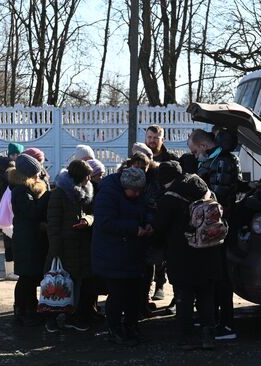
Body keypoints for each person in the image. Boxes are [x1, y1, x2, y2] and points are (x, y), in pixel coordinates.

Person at [152, 161, 223, 350]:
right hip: (209, 252)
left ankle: (187, 337)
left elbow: (159, 228)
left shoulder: (169, 199)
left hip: (182, 256)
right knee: (206, 296)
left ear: (165, 179)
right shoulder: (203, 188)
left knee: (184, 298)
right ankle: (209, 336)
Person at [188, 128, 241, 340]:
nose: (195, 156)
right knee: (214, 274)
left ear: (203, 146)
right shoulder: (217, 160)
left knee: (221, 277)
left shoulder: (221, 161)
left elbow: (216, 195)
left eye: (194, 151)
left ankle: (226, 325)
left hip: (219, 226)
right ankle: (213, 318)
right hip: (216, 225)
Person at [92, 167, 150, 346]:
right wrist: (134, 229)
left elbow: (147, 208)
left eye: (140, 190)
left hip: (132, 252)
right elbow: (106, 223)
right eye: (134, 191)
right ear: (125, 187)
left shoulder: (138, 192)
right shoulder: (107, 194)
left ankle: (131, 326)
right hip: (112, 253)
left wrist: (149, 222)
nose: (138, 194)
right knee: (118, 294)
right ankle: (114, 329)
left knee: (135, 293)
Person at [45, 160, 95, 333]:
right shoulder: (59, 194)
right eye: (88, 175)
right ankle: (51, 318)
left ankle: (72, 317)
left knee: (75, 285)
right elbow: (53, 223)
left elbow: (91, 214)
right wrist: (56, 249)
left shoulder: (87, 193)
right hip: (64, 247)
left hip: (81, 247)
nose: (90, 179)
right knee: (57, 284)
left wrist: (87, 221)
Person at [10, 153, 51, 326]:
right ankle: (21, 310)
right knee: (26, 277)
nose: (38, 176)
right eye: (35, 173)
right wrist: (47, 197)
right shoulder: (20, 190)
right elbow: (32, 212)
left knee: (31, 276)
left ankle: (30, 307)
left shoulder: (25, 188)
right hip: (26, 239)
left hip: (31, 238)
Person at [144, 126, 176, 302]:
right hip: (145, 208)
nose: (152, 140)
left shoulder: (170, 159)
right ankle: (145, 290)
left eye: (156, 137)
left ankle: (160, 285)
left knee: (164, 250)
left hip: (164, 208)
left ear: (162, 139)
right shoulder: (141, 157)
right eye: (149, 137)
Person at [0, 142, 24, 281]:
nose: (16, 157)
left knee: (10, 241)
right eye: (13, 154)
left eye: (18, 154)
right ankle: (11, 271)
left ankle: (11, 271)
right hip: (10, 208)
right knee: (12, 242)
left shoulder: (1, 170)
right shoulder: (9, 171)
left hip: (6, 209)